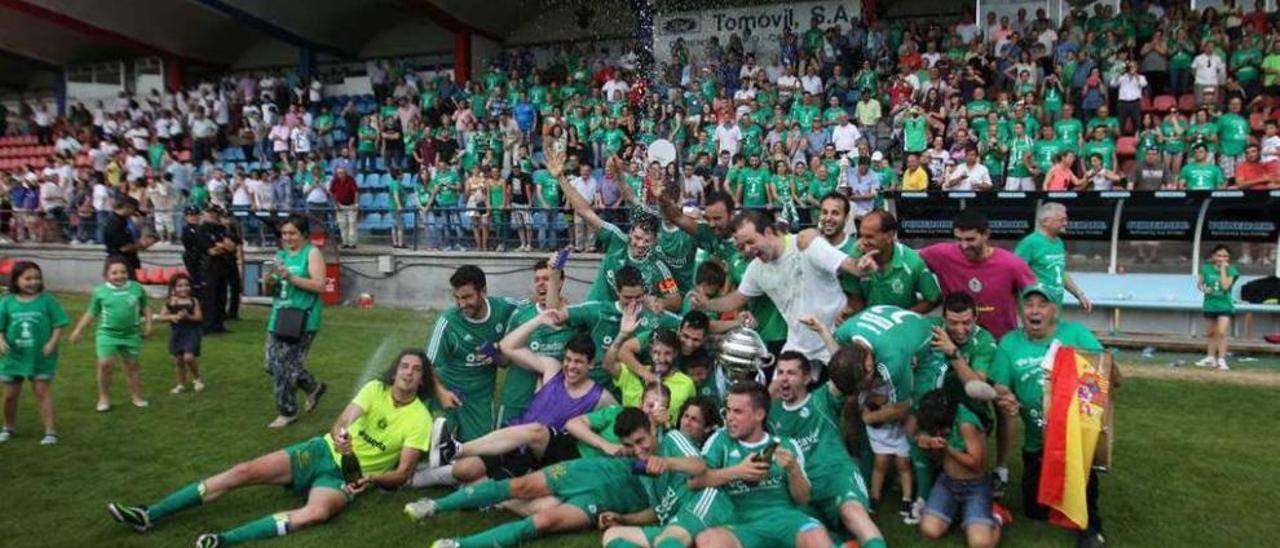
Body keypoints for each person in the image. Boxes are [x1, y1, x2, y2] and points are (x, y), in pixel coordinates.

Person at [107, 350, 435, 547]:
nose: (408, 372)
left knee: (317, 512)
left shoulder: (420, 418)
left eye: (416, 369)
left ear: (423, 380)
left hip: (347, 478)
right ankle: (149, 514)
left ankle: (223, 540)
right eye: (404, 366)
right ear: (395, 371)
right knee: (243, 471)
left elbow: (403, 472)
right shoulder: (375, 388)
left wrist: (373, 479)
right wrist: (339, 437)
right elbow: (342, 422)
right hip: (320, 451)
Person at [990, 284, 1106, 547]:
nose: (1034, 310)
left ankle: (1091, 529)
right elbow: (1000, 384)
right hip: (1037, 443)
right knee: (1034, 510)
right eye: (1029, 304)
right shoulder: (1010, 341)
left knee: (1083, 497)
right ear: (1021, 310)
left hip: (1074, 439)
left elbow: (1103, 371)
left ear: (1055, 310)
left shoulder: (1075, 333)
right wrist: (1005, 396)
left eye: (1042, 304)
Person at [692, 210, 877, 363]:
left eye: (751, 241)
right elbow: (738, 298)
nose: (748, 250)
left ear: (768, 233)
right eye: (741, 246)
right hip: (798, 344)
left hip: (834, 338)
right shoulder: (756, 268)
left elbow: (850, 266)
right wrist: (708, 305)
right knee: (775, 396)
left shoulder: (806, 243)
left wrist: (863, 267)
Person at [691, 381, 834, 548]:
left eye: (737, 411)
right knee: (708, 540)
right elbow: (694, 481)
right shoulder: (720, 441)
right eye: (728, 410)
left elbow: (803, 499)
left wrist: (793, 469)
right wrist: (737, 471)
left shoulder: (786, 445)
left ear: (759, 415)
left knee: (816, 534)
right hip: (739, 523)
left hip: (785, 520)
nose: (729, 417)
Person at [767, 351, 886, 546]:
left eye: (791, 373)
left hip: (836, 476)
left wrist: (823, 331)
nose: (784, 379)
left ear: (807, 378)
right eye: (780, 373)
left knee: (852, 514)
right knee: (802, 533)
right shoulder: (772, 414)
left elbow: (844, 368)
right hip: (801, 489)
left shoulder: (822, 398)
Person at [552, 156, 680, 311]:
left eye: (647, 241)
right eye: (638, 238)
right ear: (631, 232)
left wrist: (658, 302)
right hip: (594, 316)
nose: (640, 244)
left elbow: (675, 299)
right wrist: (560, 176)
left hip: (626, 327)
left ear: (654, 241)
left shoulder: (657, 267)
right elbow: (585, 211)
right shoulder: (615, 238)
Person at [599, 407, 734, 548]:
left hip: (703, 503)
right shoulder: (642, 468)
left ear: (652, 430)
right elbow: (660, 510)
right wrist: (623, 519)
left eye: (640, 441)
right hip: (674, 524)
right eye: (628, 445)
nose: (637, 450)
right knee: (612, 534)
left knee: (667, 538)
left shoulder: (671, 439)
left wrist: (667, 462)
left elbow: (700, 465)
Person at [426, 265, 518, 441]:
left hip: (480, 396)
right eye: (457, 298)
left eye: (467, 297)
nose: (461, 304)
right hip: (447, 390)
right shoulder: (447, 321)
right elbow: (427, 364)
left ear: (483, 291)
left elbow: (533, 307)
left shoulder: (505, 308)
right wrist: (441, 392)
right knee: (433, 445)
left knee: (482, 452)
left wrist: (498, 352)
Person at [920, 210, 1037, 340]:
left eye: (970, 239)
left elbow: (1037, 297)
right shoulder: (941, 255)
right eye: (959, 239)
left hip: (1000, 342)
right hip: (957, 342)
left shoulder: (1011, 264)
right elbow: (906, 260)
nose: (964, 246)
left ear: (986, 234)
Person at [261, 215, 329, 428]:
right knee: (271, 364)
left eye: (292, 233)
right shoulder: (280, 255)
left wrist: (291, 278)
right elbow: (271, 290)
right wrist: (269, 281)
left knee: (283, 367)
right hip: (279, 314)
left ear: (303, 235)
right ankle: (312, 386)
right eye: (284, 234)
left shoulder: (312, 253)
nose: (287, 238)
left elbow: (319, 286)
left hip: (302, 318)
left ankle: (287, 411)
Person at [914, 389, 1003, 548]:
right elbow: (917, 435)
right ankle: (963, 513)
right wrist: (926, 442)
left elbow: (976, 464)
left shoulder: (966, 424)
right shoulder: (936, 417)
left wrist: (949, 448)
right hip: (947, 482)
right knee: (929, 530)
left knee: (980, 544)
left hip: (974, 486)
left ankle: (996, 515)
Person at [68, 256, 152, 412]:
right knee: (105, 364)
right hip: (107, 334)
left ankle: (137, 396)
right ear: (106, 275)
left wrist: (148, 325)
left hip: (131, 334)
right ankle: (104, 397)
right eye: (114, 273)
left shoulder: (136, 288)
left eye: (123, 272)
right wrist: (78, 330)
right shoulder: (100, 292)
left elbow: (146, 307)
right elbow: (91, 313)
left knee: (132, 365)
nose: (119, 276)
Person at [0, 261, 69, 445]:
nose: (33, 282)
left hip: (40, 356)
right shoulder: (6, 302)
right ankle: (8, 428)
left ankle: (50, 432)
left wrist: (52, 343)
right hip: (14, 357)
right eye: (28, 278)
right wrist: (1, 342)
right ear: (16, 280)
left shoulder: (47, 300)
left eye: (37, 278)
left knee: (42, 392)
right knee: (10, 395)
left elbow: (59, 323)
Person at [847, 210, 942, 314]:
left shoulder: (912, 261)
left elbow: (932, 299)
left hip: (901, 326)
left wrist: (900, 318)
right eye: (861, 236)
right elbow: (855, 299)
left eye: (869, 237)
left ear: (890, 236)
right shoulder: (856, 256)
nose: (863, 242)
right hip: (867, 323)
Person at [1015, 203, 1093, 311]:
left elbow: (1060, 271)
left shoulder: (1058, 242)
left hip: (1055, 307)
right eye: (1061, 220)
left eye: (1066, 220)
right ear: (1045, 222)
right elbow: (1013, 272)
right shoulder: (1030, 243)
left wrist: (1079, 294)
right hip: (1036, 310)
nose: (1066, 223)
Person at [158, 273, 204, 395]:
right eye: (179, 286)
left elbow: (199, 317)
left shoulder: (193, 301)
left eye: (186, 285)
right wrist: (172, 316)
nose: (183, 288)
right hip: (177, 333)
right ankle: (181, 384)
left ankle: (197, 378)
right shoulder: (171, 302)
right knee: (178, 360)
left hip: (192, 332)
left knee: (188, 357)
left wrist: (188, 316)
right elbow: (161, 317)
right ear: (173, 288)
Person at [196, 206, 237, 335]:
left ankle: (218, 325)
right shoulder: (202, 230)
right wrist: (221, 246)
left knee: (221, 296)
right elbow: (210, 250)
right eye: (211, 213)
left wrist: (221, 246)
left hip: (223, 265)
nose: (214, 216)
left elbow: (231, 246)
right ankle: (207, 326)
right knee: (209, 297)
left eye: (216, 213)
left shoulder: (222, 229)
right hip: (209, 266)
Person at [1197, 245, 1238, 371]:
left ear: (1229, 258)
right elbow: (1200, 284)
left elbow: (1225, 286)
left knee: (1221, 332)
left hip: (1225, 305)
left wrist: (1222, 270)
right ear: (1213, 256)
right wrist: (1204, 288)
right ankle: (1210, 358)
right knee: (1210, 333)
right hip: (1210, 304)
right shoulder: (1206, 268)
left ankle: (1221, 359)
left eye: (1225, 256)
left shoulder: (1232, 270)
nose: (1222, 258)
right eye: (1219, 255)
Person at [102, 197, 154, 278]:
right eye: (133, 209)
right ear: (127, 207)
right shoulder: (114, 223)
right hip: (120, 261)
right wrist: (142, 245)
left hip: (128, 259)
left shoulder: (123, 221)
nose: (134, 212)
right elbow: (123, 247)